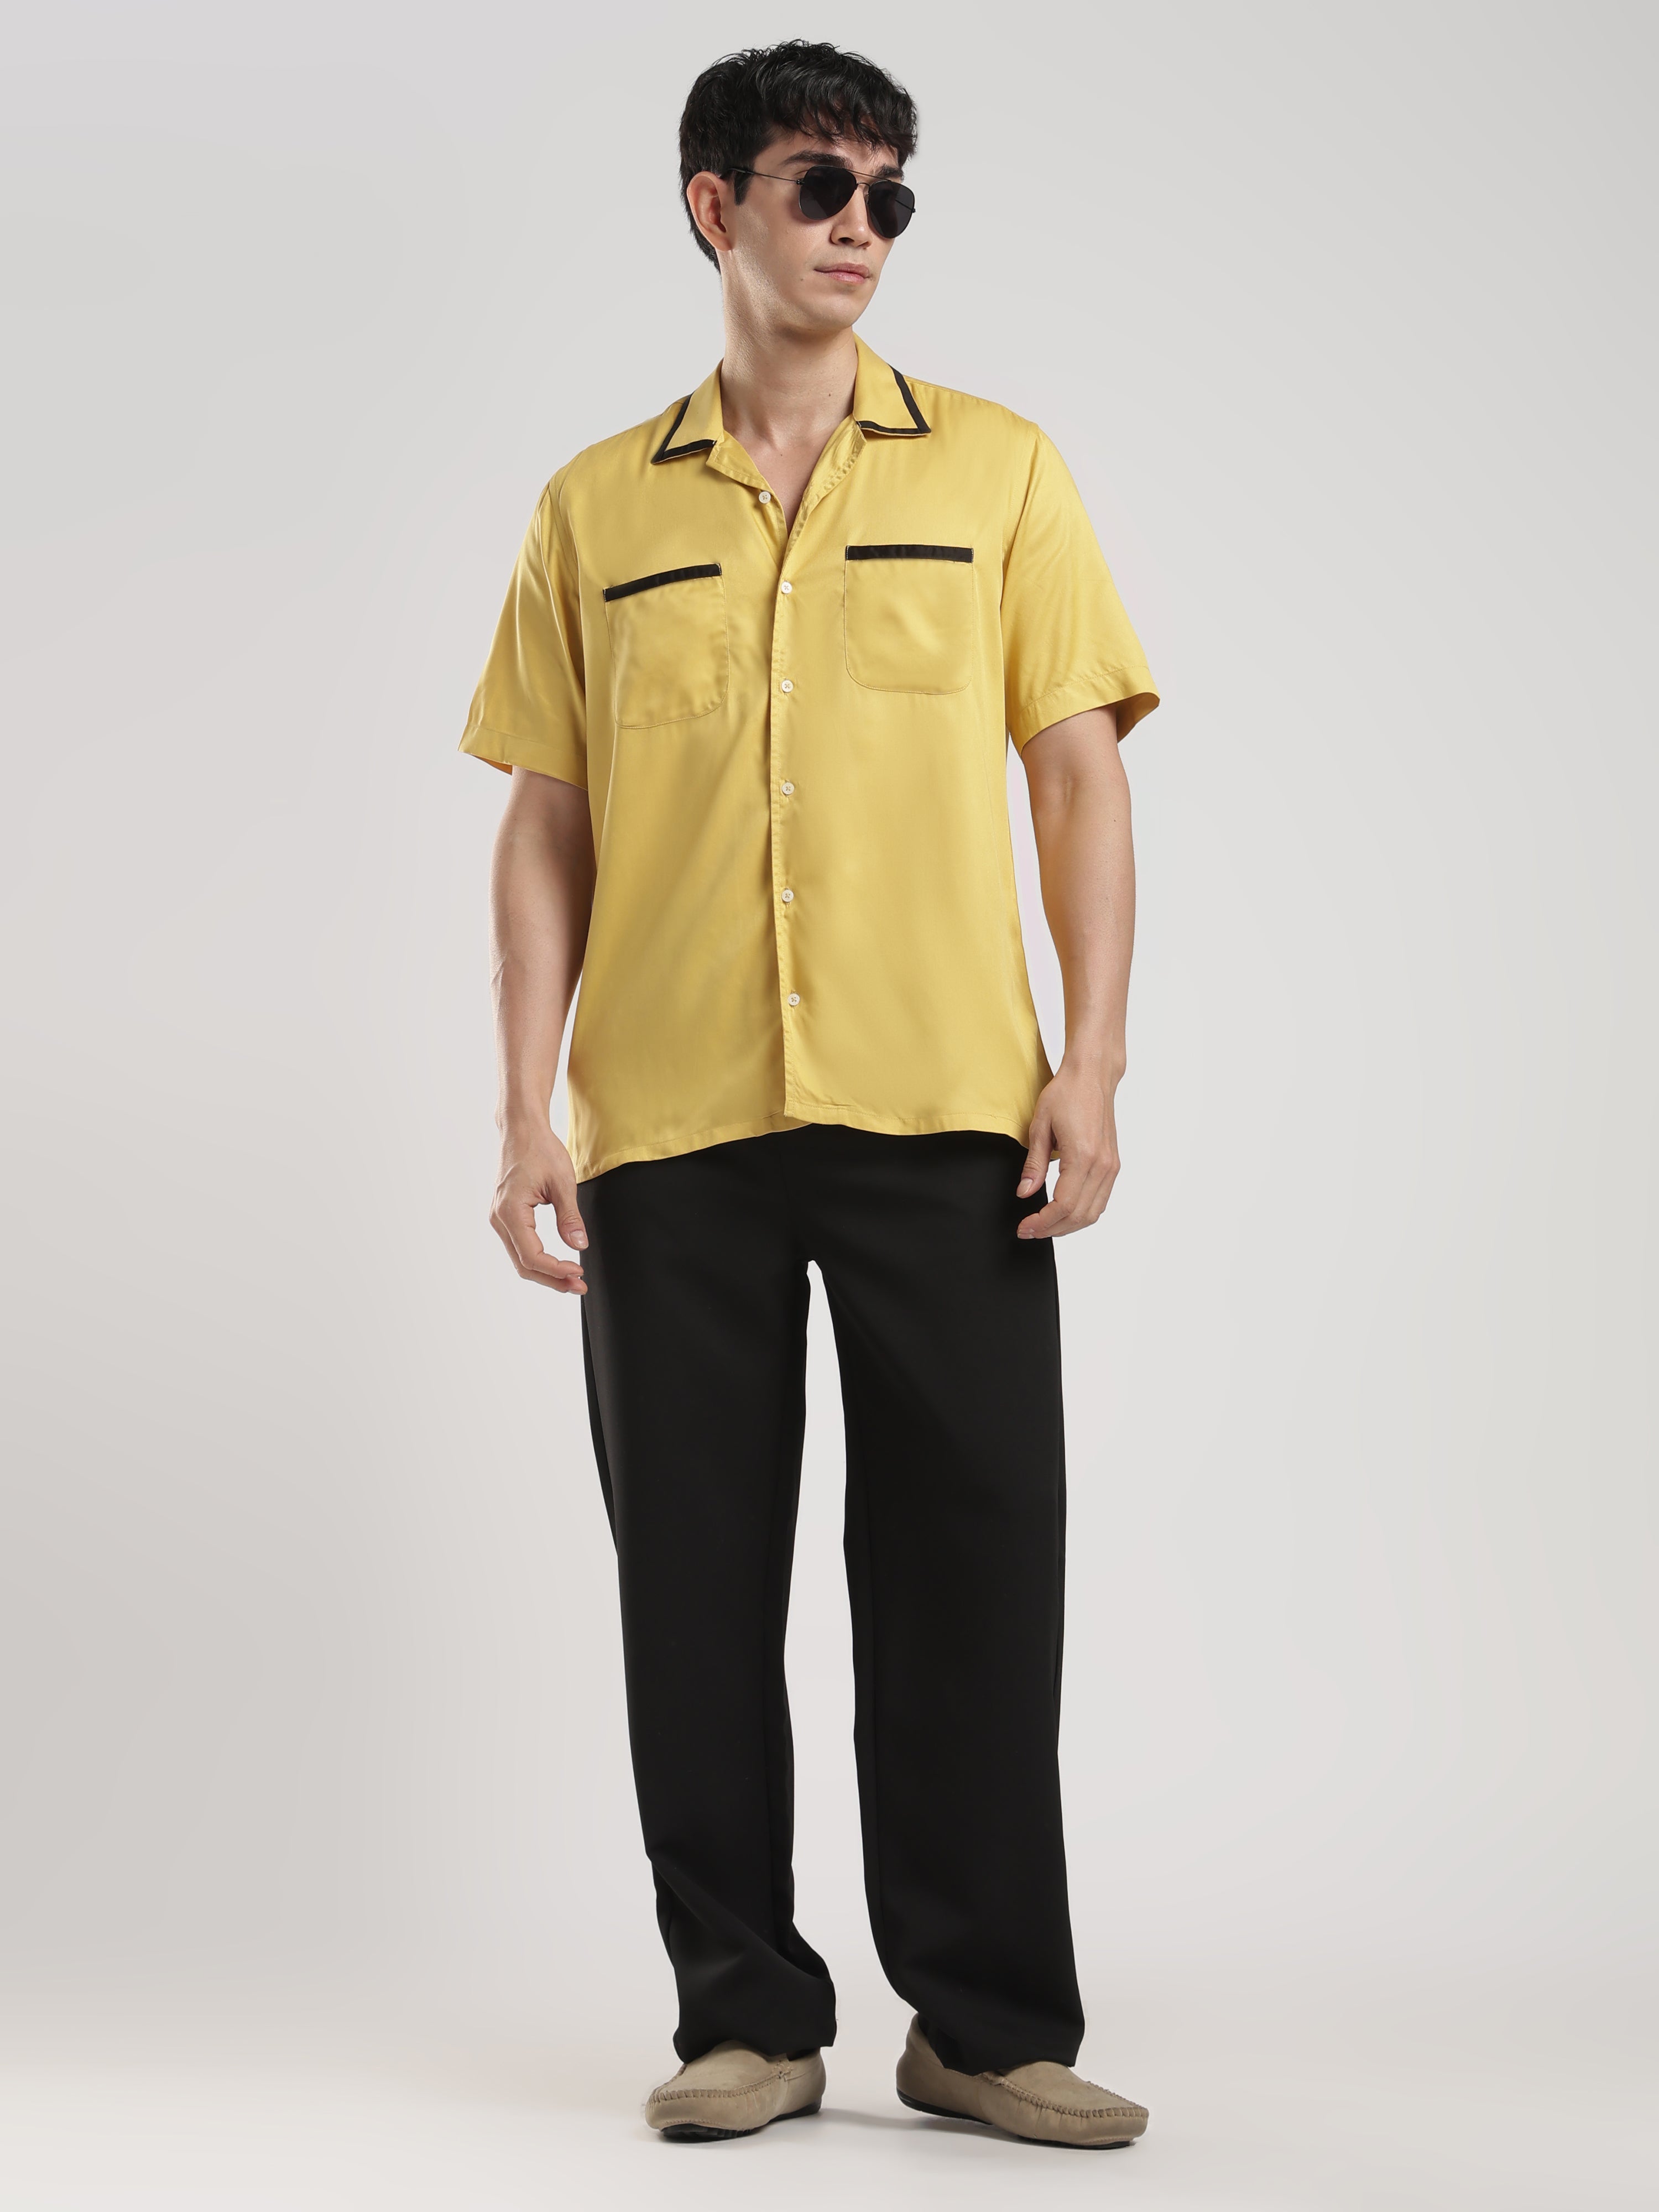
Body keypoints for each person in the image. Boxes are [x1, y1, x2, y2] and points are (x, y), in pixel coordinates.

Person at [459, 39, 1159, 2151]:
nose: (863, 226)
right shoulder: (596, 507)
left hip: (947, 1104)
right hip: (674, 1119)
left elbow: (1076, 776)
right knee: (692, 1579)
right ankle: (743, 2016)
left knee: (973, 1569)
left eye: (890, 195)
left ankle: (986, 2023)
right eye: (819, 185)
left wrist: (1094, 1059)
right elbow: (548, 818)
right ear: (715, 207)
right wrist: (523, 1109)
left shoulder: (1000, 473)